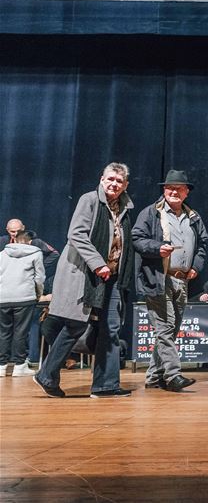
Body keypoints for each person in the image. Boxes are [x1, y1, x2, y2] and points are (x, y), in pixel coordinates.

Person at [34, 163, 136, 398]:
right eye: (110, 179)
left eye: (119, 181)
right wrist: (98, 263)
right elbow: (76, 234)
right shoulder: (89, 200)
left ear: (126, 185)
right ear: (102, 179)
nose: (114, 184)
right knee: (75, 325)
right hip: (83, 274)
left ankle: (105, 385)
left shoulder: (124, 208)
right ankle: (47, 375)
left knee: (110, 329)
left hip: (111, 278)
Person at [132, 170, 208, 393]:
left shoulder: (193, 216)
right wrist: (157, 248)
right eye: (169, 188)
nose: (173, 191)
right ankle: (173, 375)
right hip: (158, 278)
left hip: (181, 281)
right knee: (165, 329)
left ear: (186, 192)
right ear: (164, 191)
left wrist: (196, 266)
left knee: (171, 331)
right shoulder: (151, 213)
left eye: (178, 188)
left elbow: (203, 245)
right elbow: (136, 239)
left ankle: (154, 376)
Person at [0, 230, 44, 377]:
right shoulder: (36, 253)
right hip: (24, 297)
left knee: (3, 332)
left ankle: (1, 366)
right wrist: (38, 294)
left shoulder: (2, 254)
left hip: (3, 298)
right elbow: (39, 278)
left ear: (14, 240)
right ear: (30, 242)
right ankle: (19, 366)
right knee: (21, 331)